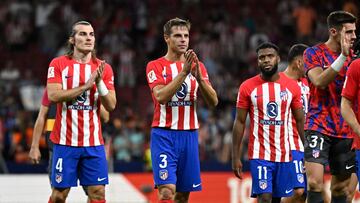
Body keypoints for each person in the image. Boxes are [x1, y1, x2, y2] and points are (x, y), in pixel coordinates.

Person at [145, 17, 218, 202]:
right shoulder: (155, 66)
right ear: (166, 38)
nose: (183, 39)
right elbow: (160, 97)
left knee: (183, 196)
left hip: (189, 136)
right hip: (164, 135)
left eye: (186, 35)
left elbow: (213, 102)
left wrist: (200, 79)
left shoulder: (198, 66)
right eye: (177, 36)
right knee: (167, 192)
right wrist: (184, 73)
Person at [46, 20, 116, 203]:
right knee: (59, 195)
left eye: (91, 34)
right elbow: (53, 96)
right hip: (65, 142)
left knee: (98, 193)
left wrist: (99, 82)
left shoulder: (104, 68)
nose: (88, 38)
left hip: (93, 143)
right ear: (72, 39)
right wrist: (86, 86)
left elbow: (111, 106)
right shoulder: (58, 64)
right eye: (83, 34)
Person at [232, 42, 305, 203]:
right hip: (260, 154)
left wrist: (307, 149)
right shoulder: (247, 87)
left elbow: (300, 120)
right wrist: (235, 156)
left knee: (277, 199)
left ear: (278, 59)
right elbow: (239, 122)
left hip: (284, 154)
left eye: (270, 56)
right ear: (257, 61)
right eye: (262, 57)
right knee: (265, 198)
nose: (266, 60)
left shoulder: (292, 87)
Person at [303, 11, 357, 203]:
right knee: (315, 183)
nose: (354, 36)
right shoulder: (313, 53)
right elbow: (318, 81)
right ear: (334, 32)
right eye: (349, 32)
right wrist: (342, 57)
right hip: (318, 125)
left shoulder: (356, 59)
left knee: (340, 188)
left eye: (354, 32)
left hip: (345, 129)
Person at [28, 88, 109, 202]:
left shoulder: (93, 88)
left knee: (95, 194)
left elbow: (106, 117)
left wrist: (95, 95)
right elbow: (42, 116)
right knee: (58, 196)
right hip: (59, 148)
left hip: (88, 146)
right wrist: (34, 146)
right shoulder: (54, 87)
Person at [282, 44, 310, 203]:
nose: (311, 66)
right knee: (298, 192)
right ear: (299, 62)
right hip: (289, 145)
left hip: (307, 144)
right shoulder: (279, 82)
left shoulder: (307, 82)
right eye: (308, 61)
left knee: (305, 194)